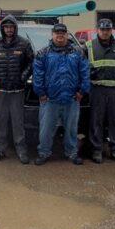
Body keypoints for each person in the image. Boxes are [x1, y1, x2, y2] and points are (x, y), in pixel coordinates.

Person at [32, 23, 89, 166]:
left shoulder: (78, 52)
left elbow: (85, 73)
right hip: (50, 100)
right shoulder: (42, 53)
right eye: (57, 33)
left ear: (67, 35)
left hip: (72, 99)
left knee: (71, 129)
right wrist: (41, 93)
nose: (60, 35)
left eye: (63, 33)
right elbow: (37, 75)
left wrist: (82, 91)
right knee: (46, 130)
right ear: (52, 35)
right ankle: (43, 153)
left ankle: (72, 153)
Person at [0, 15, 33, 164]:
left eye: (11, 27)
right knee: (1, 121)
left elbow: (31, 63)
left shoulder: (24, 44)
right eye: (6, 27)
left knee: (18, 122)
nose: (9, 29)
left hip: (17, 91)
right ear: (2, 28)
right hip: (1, 90)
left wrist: (22, 78)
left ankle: (21, 150)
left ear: (15, 28)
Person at [85, 18, 115, 164]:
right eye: (103, 29)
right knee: (96, 121)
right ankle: (96, 150)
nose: (105, 32)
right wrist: (88, 73)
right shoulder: (89, 46)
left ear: (111, 31)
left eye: (108, 30)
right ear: (97, 30)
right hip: (97, 89)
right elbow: (80, 64)